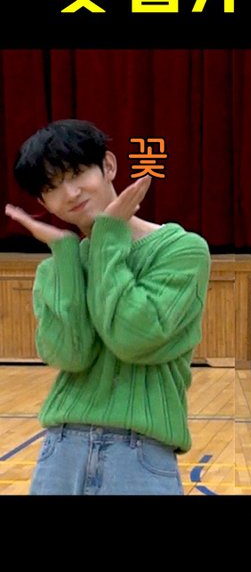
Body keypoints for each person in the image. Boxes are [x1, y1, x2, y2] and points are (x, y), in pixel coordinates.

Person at [5, 119, 211, 495]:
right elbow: (71, 354)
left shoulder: (181, 249)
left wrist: (107, 236)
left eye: (77, 173)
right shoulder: (56, 268)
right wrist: (67, 256)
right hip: (60, 449)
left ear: (109, 165)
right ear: (43, 203)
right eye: (51, 187)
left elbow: (132, 337)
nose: (70, 193)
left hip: (140, 452)